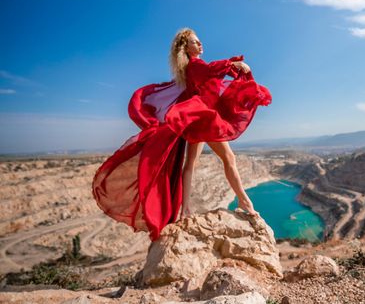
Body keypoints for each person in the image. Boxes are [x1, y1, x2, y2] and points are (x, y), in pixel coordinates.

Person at [92, 27, 272, 241]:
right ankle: (244, 201)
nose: (200, 45)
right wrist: (233, 64)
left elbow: (209, 77)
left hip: (195, 120)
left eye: (199, 41)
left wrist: (230, 67)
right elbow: (209, 71)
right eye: (196, 42)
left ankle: (185, 209)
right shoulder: (195, 65)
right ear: (185, 47)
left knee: (190, 165)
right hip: (203, 119)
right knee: (228, 159)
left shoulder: (188, 69)